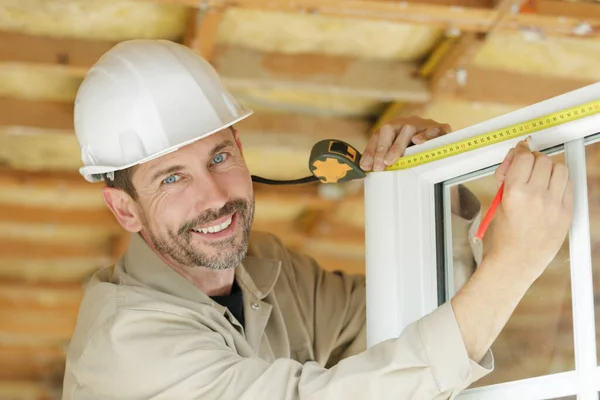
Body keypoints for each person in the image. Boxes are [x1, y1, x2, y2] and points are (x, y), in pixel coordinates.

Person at [61, 39, 573, 400]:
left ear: (240, 147)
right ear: (124, 209)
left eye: (219, 157)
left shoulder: (270, 270)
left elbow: (421, 327)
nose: (214, 198)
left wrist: (434, 188)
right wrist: (514, 264)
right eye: (172, 179)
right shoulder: (126, 343)